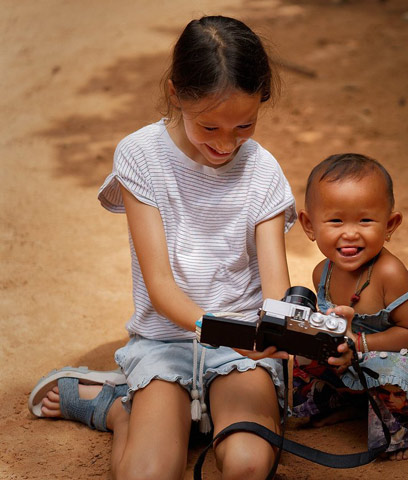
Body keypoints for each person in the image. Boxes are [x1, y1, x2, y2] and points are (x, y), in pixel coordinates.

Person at [27, 16, 296, 480]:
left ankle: (201, 411)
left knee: (248, 466)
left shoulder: (262, 169)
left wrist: (286, 331)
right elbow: (159, 285)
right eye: (209, 126)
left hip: (242, 349)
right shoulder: (140, 155)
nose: (227, 144)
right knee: (148, 475)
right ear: (176, 94)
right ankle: (118, 409)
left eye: (244, 125)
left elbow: (276, 289)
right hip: (167, 339)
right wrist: (226, 333)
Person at [293, 153, 408, 460]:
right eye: (335, 220)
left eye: (366, 220)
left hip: (406, 356)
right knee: (304, 353)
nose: (351, 232)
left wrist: (357, 343)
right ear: (309, 224)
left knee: (390, 374)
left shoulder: (389, 273)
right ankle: (345, 403)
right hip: (356, 352)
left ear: (390, 224)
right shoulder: (323, 272)